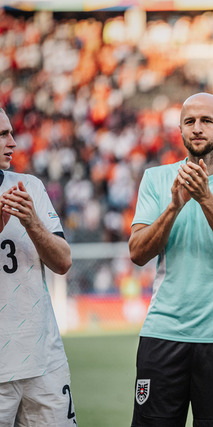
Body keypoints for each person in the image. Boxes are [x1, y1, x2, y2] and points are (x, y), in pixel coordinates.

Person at [129, 93, 213, 426]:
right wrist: (174, 206)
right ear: (180, 130)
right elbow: (137, 252)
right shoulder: (156, 178)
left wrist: (205, 197)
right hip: (163, 331)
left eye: (207, 121)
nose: (197, 128)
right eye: (189, 121)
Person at [0, 108, 76, 425]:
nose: (13, 142)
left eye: (11, 132)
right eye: (2, 135)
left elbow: (63, 262)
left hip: (45, 361)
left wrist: (32, 223)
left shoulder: (29, 186)